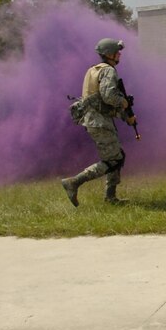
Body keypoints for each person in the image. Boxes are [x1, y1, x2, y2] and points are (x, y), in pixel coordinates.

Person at [61, 38, 136, 206]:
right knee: (113, 160)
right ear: (109, 54)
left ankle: (111, 197)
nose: (120, 54)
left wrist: (126, 116)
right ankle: (74, 182)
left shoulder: (92, 70)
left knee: (117, 156)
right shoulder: (108, 71)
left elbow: (100, 101)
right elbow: (109, 97)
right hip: (99, 122)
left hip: (94, 120)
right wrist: (124, 102)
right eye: (117, 52)